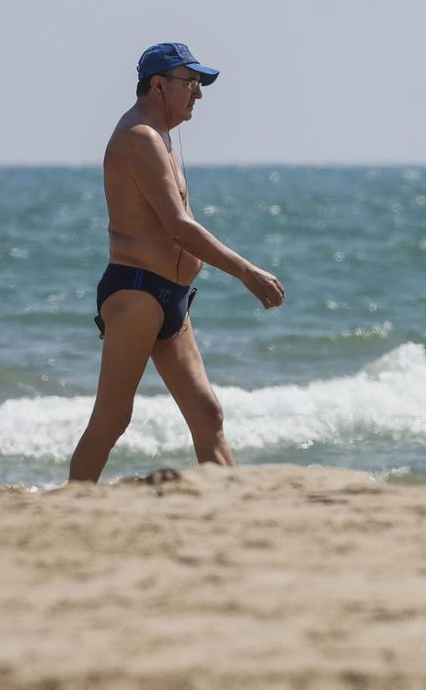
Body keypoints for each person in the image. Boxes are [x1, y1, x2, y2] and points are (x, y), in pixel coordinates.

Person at [69, 42, 285, 482]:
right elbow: (178, 227)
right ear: (158, 85)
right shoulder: (139, 138)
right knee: (112, 419)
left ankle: (228, 504)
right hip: (137, 291)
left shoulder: (163, 139)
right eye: (191, 83)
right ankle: (73, 502)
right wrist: (247, 272)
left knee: (208, 413)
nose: (198, 95)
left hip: (174, 298)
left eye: (199, 85)